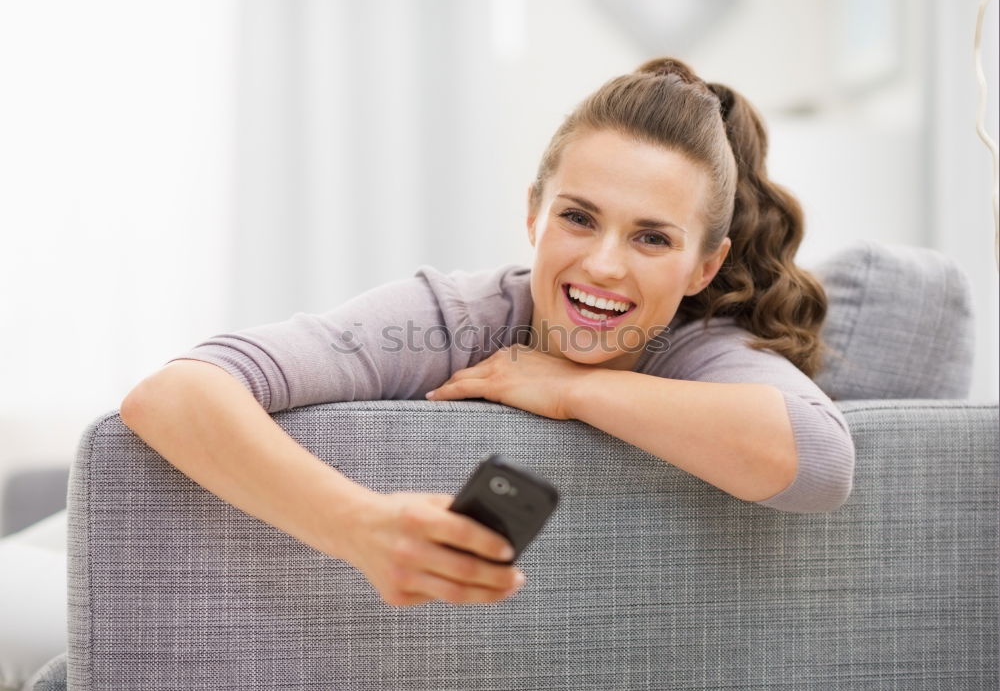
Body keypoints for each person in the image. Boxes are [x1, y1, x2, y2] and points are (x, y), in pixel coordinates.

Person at [120, 57, 855, 610]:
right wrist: (358, 526)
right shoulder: (454, 316)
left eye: (652, 238)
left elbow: (817, 458)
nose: (603, 265)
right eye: (578, 217)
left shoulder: (699, 348)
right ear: (534, 214)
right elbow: (174, 393)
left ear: (704, 266)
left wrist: (571, 388)